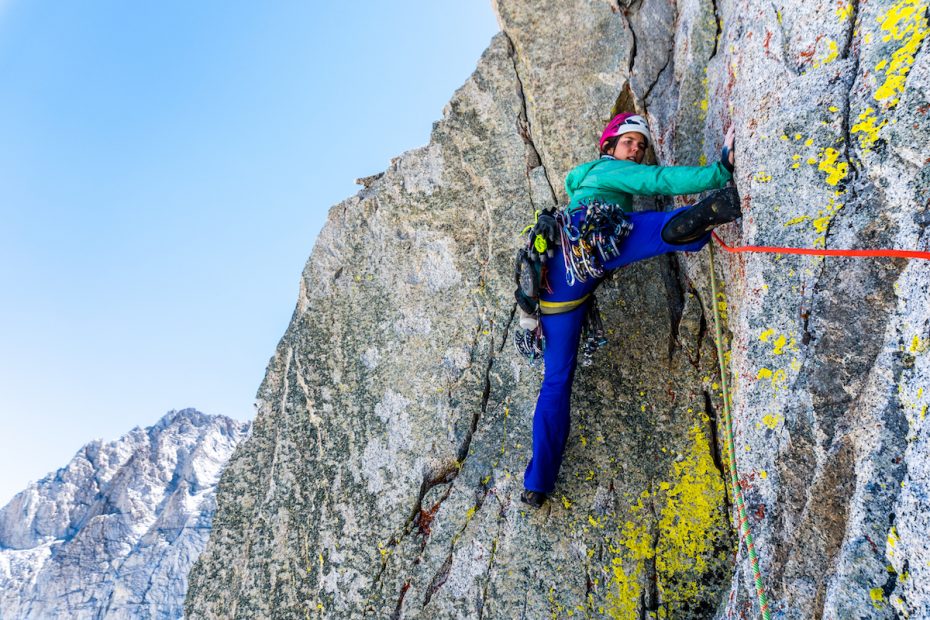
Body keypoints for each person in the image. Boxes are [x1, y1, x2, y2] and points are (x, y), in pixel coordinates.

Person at [520, 113, 740, 508]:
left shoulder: (583, 182)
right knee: (631, 227)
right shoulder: (607, 170)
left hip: (554, 290)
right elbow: (656, 181)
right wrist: (718, 171)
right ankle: (711, 210)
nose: (635, 150)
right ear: (608, 147)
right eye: (628, 142)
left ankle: (538, 483)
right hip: (589, 239)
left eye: (640, 145)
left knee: (555, 381)